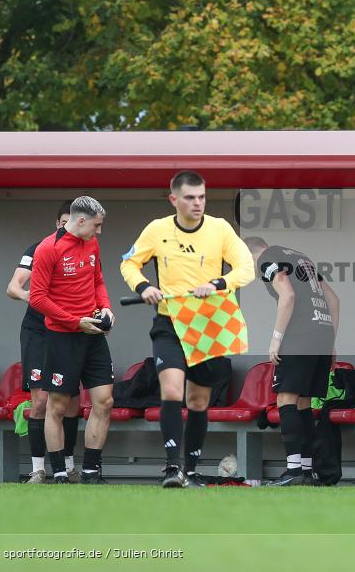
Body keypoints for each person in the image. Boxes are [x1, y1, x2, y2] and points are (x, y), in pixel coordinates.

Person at [120, 170, 255, 488]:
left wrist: (218, 283)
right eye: (191, 198)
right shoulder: (157, 230)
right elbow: (129, 262)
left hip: (208, 324)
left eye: (202, 197)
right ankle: (171, 469)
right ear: (174, 200)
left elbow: (246, 267)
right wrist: (143, 287)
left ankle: (191, 471)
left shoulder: (220, 229)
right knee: (170, 390)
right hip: (168, 322)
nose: (198, 203)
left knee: (196, 401)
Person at [29, 196, 115, 484]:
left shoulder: (91, 243)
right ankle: (61, 473)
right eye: (96, 225)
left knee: (104, 401)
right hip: (62, 336)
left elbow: (98, 280)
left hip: (93, 336)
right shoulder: (47, 248)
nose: (98, 231)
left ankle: (91, 471)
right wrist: (75, 321)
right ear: (80, 221)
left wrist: (105, 308)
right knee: (57, 405)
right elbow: (37, 297)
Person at [248, 237, 340, 486]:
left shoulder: (266, 259)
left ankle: (293, 470)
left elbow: (287, 295)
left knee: (285, 398)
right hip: (322, 333)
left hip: (299, 334)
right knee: (304, 403)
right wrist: (330, 341)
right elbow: (333, 300)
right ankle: (307, 471)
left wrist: (276, 339)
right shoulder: (302, 257)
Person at [6, 201, 84, 483]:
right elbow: (13, 287)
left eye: (73, 222)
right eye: (63, 222)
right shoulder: (39, 248)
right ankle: (38, 470)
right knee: (39, 402)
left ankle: (68, 467)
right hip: (38, 332)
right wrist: (35, 298)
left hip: (68, 332)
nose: (68, 227)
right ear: (57, 223)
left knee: (70, 403)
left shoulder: (85, 252)